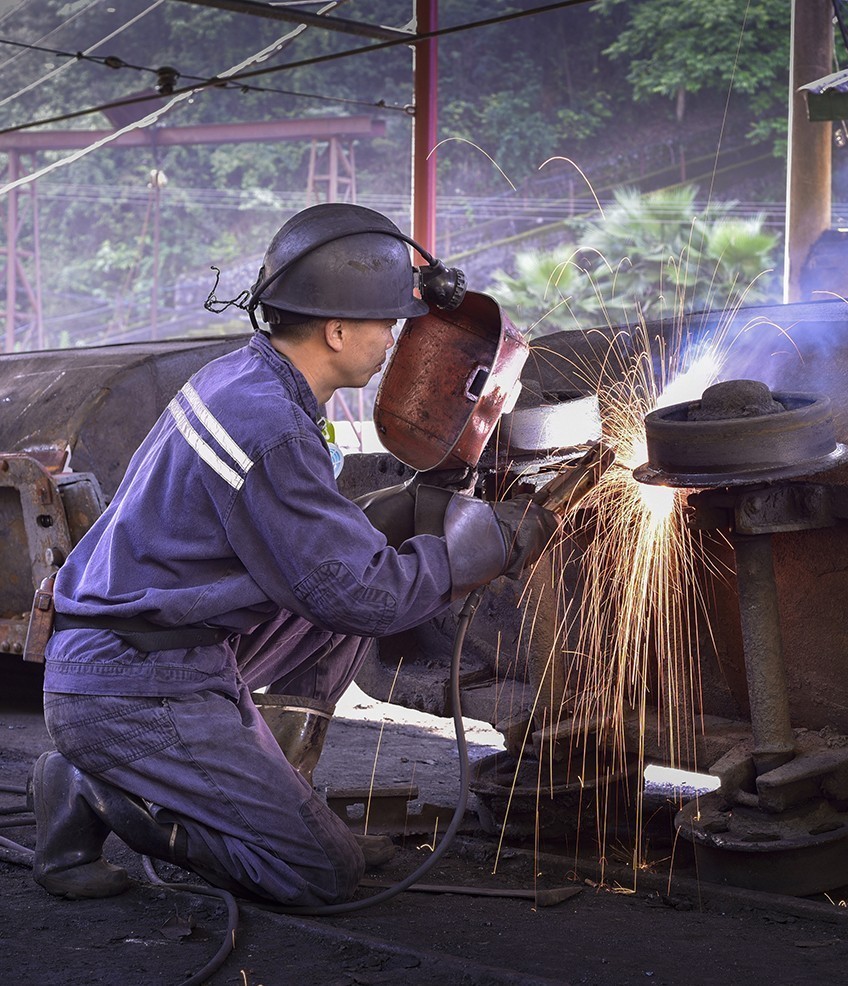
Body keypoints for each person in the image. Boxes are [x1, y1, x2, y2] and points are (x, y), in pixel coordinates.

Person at [29, 204, 558, 907]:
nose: (394, 340)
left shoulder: (243, 377)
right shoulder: (270, 427)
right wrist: (482, 548)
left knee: (331, 615)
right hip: (135, 687)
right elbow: (363, 597)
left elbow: (296, 549)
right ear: (336, 330)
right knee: (320, 874)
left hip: (140, 652)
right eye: (386, 324)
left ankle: (278, 795)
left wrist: (389, 515)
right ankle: (99, 792)